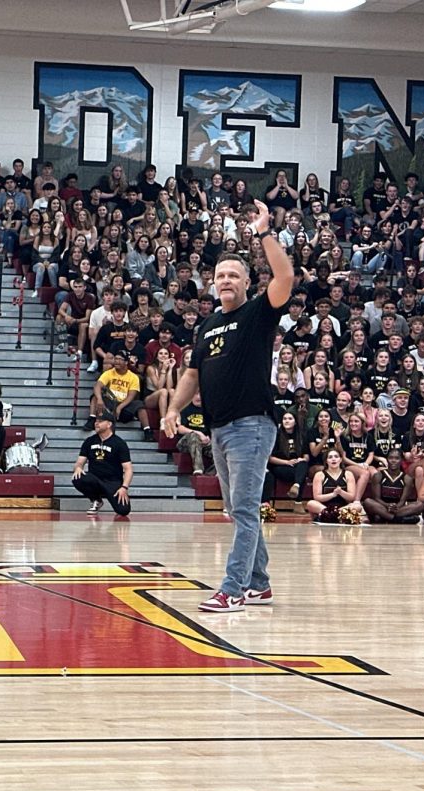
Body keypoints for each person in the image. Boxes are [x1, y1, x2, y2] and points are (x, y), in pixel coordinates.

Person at [163, 199, 294, 613]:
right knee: (239, 511)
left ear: (247, 280)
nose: (225, 280)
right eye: (220, 275)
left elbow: (286, 275)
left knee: (244, 508)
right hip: (219, 429)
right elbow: (192, 374)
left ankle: (233, 589)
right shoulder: (209, 324)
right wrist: (173, 410)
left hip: (252, 425)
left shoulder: (259, 312)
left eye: (233, 275)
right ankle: (259, 583)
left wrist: (264, 232)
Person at [71, 411, 132, 516]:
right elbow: (79, 462)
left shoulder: (119, 443)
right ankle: (96, 500)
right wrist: (78, 468)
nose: (96, 423)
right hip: (95, 478)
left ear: (109, 424)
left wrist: (124, 487)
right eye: (96, 421)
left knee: (123, 510)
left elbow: (128, 469)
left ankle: (112, 496)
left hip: (112, 482)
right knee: (78, 478)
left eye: (100, 421)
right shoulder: (89, 441)